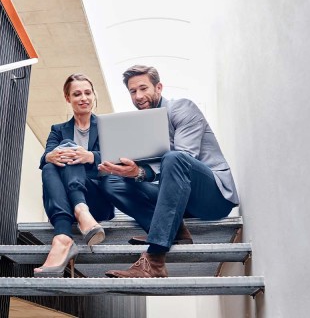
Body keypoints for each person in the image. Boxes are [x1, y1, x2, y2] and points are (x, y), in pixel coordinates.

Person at [99, 65, 239, 278]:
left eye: (143, 88)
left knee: (174, 158)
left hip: (213, 197)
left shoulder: (182, 108)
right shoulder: (138, 126)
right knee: (112, 181)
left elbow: (184, 157)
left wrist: (141, 172)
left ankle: (154, 260)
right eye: (132, 91)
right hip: (177, 201)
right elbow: (144, 171)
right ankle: (174, 231)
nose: (138, 96)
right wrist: (126, 170)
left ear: (159, 87)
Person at [34, 73, 115, 278]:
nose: (83, 98)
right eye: (77, 94)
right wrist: (50, 156)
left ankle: (75, 220)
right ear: (67, 98)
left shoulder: (108, 125)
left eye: (88, 93)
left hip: (97, 200)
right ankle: (64, 236)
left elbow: (116, 160)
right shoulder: (58, 129)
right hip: (71, 206)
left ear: (94, 95)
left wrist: (90, 156)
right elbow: (45, 159)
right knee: (51, 164)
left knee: (66, 151)